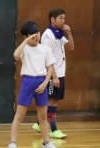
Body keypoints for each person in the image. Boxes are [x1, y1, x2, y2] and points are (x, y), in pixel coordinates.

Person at [8, 21, 61, 148]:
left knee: (43, 116)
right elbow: (15, 55)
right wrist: (25, 42)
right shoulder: (24, 48)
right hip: (27, 81)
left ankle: (46, 143)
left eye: (38, 33)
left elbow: (50, 68)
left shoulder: (45, 49)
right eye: (32, 34)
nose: (36, 36)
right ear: (26, 36)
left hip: (41, 81)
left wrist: (45, 83)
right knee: (20, 115)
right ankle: (12, 144)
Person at [32, 8, 75, 139]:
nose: (63, 21)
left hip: (61, 72)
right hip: (52, 74)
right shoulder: (47, 35)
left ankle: (39, 124)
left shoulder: (60, 34)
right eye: (60, 18)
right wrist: (54, 76)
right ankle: (54, 129)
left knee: (55, 100)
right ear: (52, 19)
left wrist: (69, 33)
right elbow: (47, 59)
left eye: (64, 18)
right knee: (52, 101)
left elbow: (71, 47)